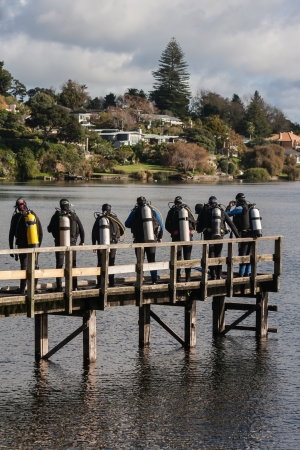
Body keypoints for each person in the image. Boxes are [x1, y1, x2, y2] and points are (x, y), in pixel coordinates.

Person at [197, 196, 239, 280]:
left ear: (209, 202)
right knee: (218, 255)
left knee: (211, 256)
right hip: (219, 236)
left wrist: (199, 230)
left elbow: (198, 222)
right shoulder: (221, 210)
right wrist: (238, 237)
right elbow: (231, 224)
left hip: (208, 237)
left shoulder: (205, 209)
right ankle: (219, 275)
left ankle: (213, 276)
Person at [47, 198, 85, 292]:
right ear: (69, 205)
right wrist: (82, 241)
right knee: (73, 265)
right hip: (72, 244)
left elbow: (49, 229)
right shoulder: (73, 215)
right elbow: (81, 229)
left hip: (59, 243)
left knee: (59, 265)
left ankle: (59, 287)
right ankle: (74, 286)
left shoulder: (57, 216)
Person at [125, 196, 164, 285]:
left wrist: (135, 225)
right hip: (152, 239)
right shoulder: (152, 211)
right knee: (152, 260)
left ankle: (140, 280)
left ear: (137, 203)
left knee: (140, 261)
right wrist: (159, 237)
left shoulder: (135, 211)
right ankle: (154, 280)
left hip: (139, 240)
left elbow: (126, 224)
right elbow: (161, 225)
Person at [9, 197, 43, 294]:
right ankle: (34, 288)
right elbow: (40, 233)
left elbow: (11, 234)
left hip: (22, 245)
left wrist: (11, 248)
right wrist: (38, 246)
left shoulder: (16, 217)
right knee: (35, 266)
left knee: (24, 266)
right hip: (34, 245)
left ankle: (22, 289)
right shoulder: (33, 215)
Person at [92, 204, 125, 288]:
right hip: (113, 244)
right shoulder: (114, 218)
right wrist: (118, 236)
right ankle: (111, 283)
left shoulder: (99, 219)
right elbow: (123, 229)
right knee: (111, 263)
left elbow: (93, 232)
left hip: (101, 244)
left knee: (100, 263)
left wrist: (94, 245)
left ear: (102, 209)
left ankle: (99, 284)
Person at [226, 193, 259, 277]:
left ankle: (241, 274)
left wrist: (229, 206)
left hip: (244, 235)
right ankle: (247, 274)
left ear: (237, 200)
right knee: (249, 254)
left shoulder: (239, 209)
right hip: (252, 235)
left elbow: (226, 215)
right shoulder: (249, 208)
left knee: (242, 254)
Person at [165, 196, 196, 282]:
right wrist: (191, 231)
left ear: (174, 203)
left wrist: (172, 232)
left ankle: (177, 278)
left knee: (177, 258)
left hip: (176, 238)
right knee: (187, 257)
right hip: (188, 237)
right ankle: (188, 278)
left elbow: (166, 225)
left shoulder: (172, 211)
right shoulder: (187, 210)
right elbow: (194, 222)